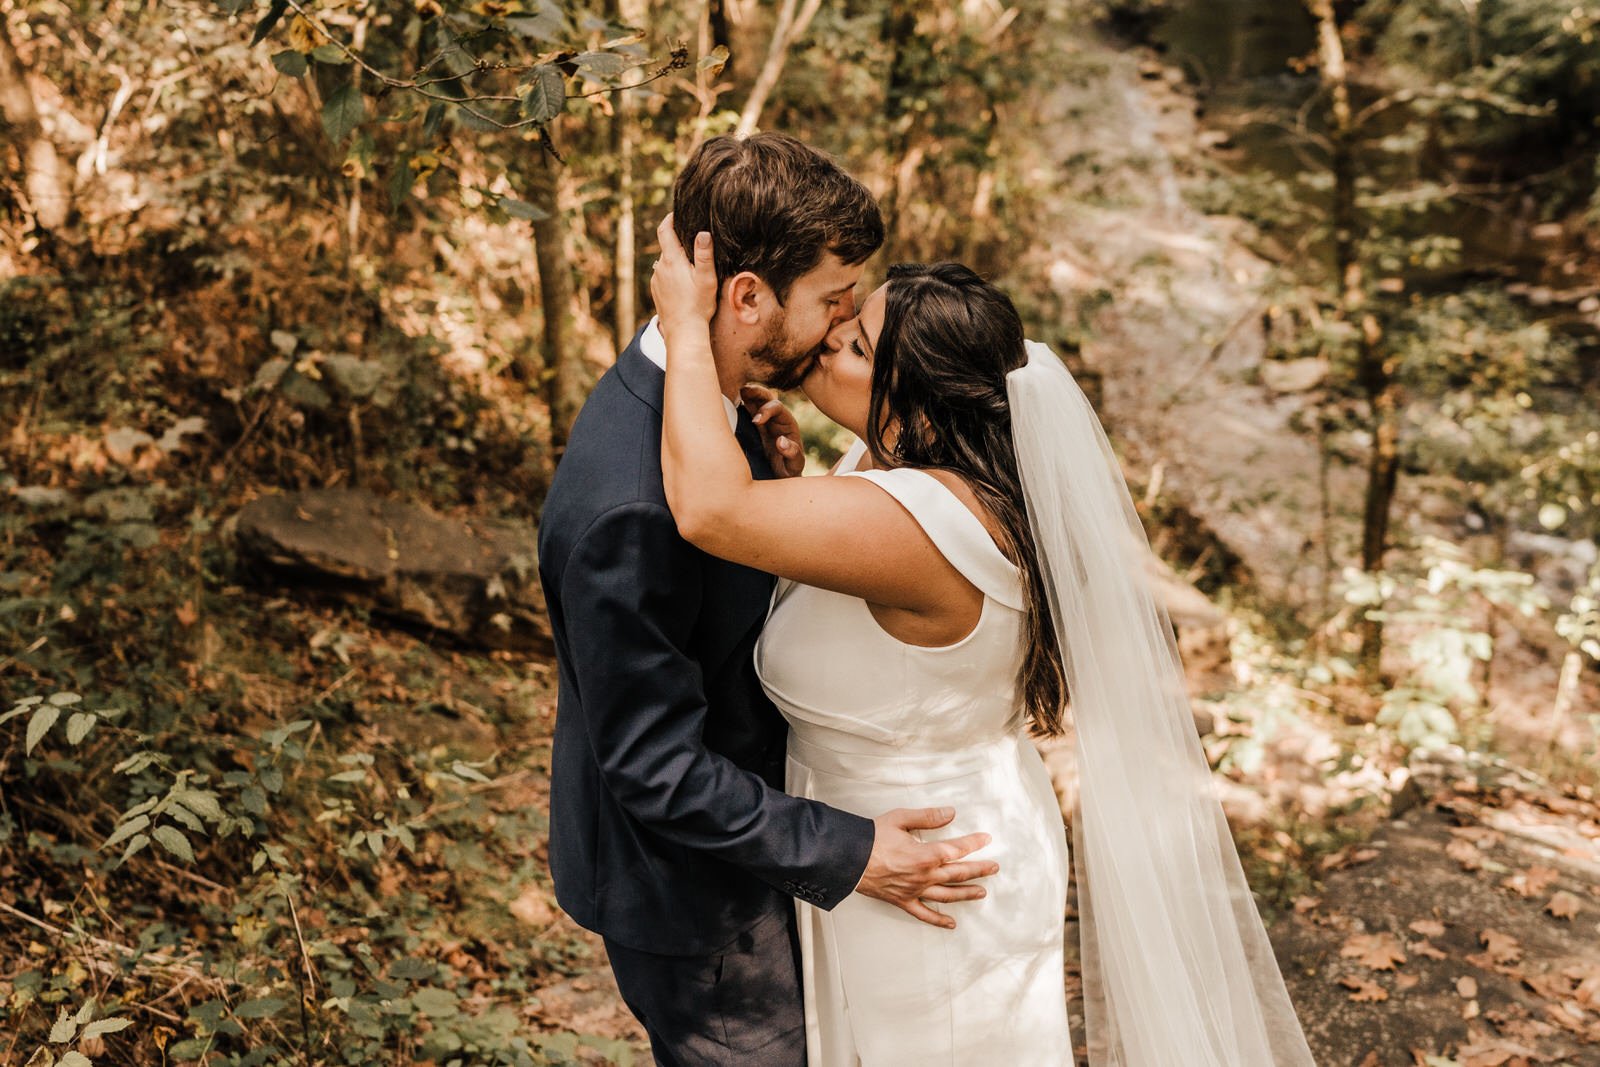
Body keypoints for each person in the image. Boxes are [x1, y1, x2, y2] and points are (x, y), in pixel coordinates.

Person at [650, 217, 1319, 1065]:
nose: (824, 343)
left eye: (853, 345)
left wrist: (683, 329)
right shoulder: (911, 472)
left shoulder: (918, 520)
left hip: (930, 872)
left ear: (919, 405)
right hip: (905, 841)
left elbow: (709, 510)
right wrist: (796, 493)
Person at [535, 134, 998, 1067]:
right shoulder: (634, 500)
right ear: (746, 297)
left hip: (757, 866)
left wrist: (782, 484)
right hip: (705, 910)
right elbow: (654, 764)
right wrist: (848, 849)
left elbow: (728, 611)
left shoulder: (718, 410)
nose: (838, 328)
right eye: (833, 300)